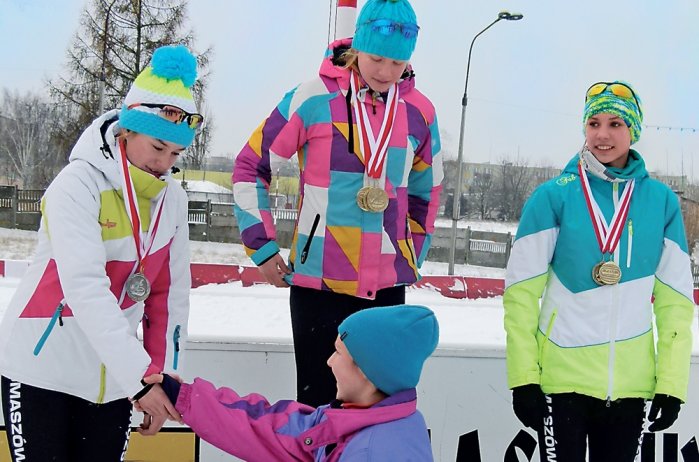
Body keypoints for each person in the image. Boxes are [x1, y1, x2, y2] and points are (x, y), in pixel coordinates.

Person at [232, 0, 443, 408]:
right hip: (319, 285)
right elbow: (250, 166)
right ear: (358, 46)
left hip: (384, 290)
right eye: (377, 58)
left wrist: (412, 251)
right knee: (317, 412)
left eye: (398, 63)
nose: (385, 72)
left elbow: (426, 191)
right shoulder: (311, 98)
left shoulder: (420, 112)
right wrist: (261, 246)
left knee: (376, 412)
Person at [0, 44, 203, 461]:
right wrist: (139, 381)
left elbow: (170, 297)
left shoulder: (174, 202)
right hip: (42, 373)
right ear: (126, 130)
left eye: (176, 154)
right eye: (157, 147)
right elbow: (85, 288)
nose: (164, 163)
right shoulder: (77, 185)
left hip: (114, 382)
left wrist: (161, 379)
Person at [503, 81, 694, 461]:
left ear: (633, 130)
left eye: (615, 124)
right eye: (593, 123)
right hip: (562, 383)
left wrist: (671, 384)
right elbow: (520, 295)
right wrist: (523, 378)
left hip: (630, 386)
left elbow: (675, 303)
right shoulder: (553, 196)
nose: (602, 135)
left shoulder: (661, 202)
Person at [146, 304, 439, 461]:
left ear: (366, 370)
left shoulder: (373, 452)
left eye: (338, 352)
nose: (329, 361)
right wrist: (181, 395)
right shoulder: (351, 420)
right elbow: (266, 428)